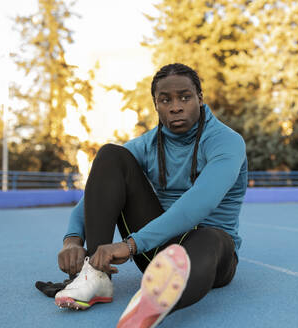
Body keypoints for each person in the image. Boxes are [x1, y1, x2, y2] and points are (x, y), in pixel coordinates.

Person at [46, 63, 248, 327]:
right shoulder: (146, 144)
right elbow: (95, 194)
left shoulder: (226, 141)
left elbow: (199, 204)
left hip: (211, 253)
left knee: (208, 237)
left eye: (184, 97)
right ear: (156, 105)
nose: (175, 106)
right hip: (158, 251)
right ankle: (95, 275)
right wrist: (72, 241)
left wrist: (131, 244)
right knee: (110, 155)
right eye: (165, 100)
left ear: (200, 98)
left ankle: (154, 305)